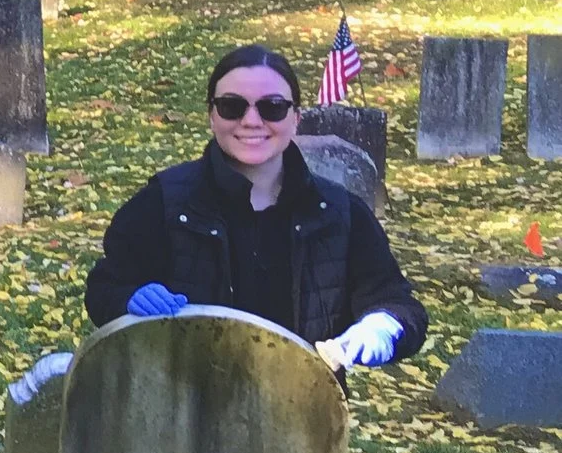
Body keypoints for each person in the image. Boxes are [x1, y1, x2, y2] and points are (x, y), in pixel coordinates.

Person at [85, 44, 426, 366]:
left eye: (272, 107)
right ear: (211, 116)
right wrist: (127, 299)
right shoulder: (162, 202)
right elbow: (105, 288)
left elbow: (398, 303)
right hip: (183, 414)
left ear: (296, 118)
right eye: (232, 106)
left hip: (302, 413)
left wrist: (383, 327)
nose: (251, 121)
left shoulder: (340, 213)